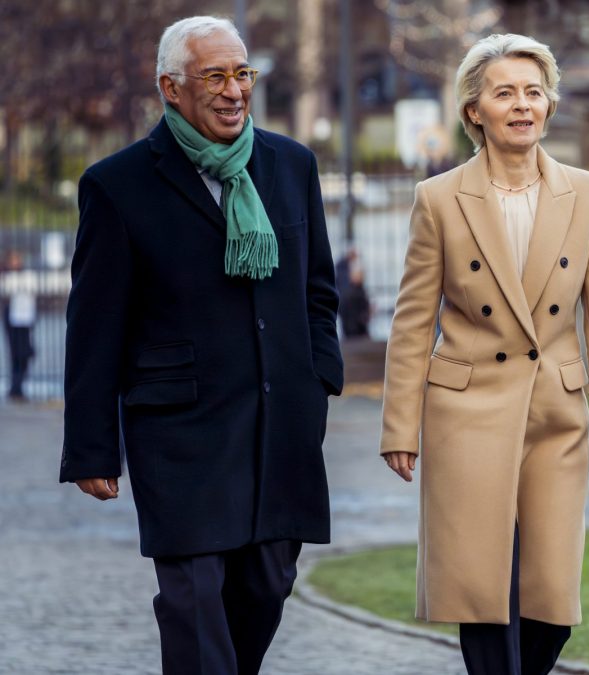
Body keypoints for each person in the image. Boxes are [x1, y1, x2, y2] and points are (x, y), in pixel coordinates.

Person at [59, 16, 342, 675]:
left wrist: (317, 375)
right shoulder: (118, 184)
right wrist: (91, 447)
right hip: (180, 429)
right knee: (193, 596)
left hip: (280, 425)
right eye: (214, 76)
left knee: (266, 585)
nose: (234, 90)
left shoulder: (291, 164)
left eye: (242, 73)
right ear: (171, 88)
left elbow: (319, 289)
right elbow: (95, 325)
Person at [380, 33, 589, 675]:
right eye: (505, 94)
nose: (522, 105)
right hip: (467, 410)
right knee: (482, 591)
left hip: (555, 412)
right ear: (475, 111)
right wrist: (398, 428)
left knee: (551, 598)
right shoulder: (438, 199)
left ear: (549, 105)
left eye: (533, 92)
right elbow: (413, 321)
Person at [2, 249, 36, 401]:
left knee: (24, 353)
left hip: (25, 318)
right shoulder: (7, 275)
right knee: (16, 354)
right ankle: (16, 388)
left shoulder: (27, 275)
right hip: (14, 318)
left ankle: (17, 387)